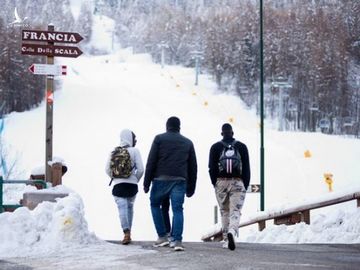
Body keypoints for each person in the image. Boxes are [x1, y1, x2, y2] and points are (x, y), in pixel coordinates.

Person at [144, 116, 197, 251]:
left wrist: (146, 182)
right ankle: (177, 241)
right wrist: (191, 187)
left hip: (160, 179)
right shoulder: (188, 143)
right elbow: (193, 167)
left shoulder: (159, 139)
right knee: (177, 209)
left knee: (155, 204)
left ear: (167, 126)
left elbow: (151, 161)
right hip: (180, 180)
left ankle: (162, 237)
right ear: (179, 127)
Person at [208, 123, 250, 250]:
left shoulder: (215, 147)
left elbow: (211, 168)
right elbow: (247, 168)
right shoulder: (242, 147)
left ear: (222, 134)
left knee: (224, 211)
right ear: (232, 133)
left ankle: (226, 239)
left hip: (221, 182)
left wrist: (215, 183)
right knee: (235, 211)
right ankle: (232, 231)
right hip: (237, 182)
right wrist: (245, 184)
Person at [106, 129, 144, 245]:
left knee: (122, 208)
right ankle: (129, 233)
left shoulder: (114, 152)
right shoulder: (135, 151)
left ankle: (126, 232)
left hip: (118, 185)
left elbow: (107, 170)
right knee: (129, 207)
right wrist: (134, 179)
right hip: (132, 185)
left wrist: (117, 177)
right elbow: (141, 169)